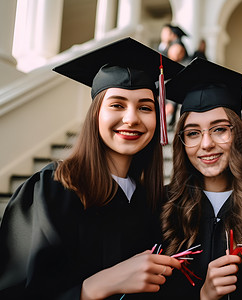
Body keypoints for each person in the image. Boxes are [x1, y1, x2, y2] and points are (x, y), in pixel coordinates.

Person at [0, 37, 184, 299]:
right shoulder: (50, 192)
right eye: (117, 105)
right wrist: (96, 286)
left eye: (145, 107)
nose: (131, 118)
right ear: (96, 114)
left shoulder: (150, 203)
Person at [158, 57, 242, 299]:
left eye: (219, 129)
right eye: (193, 133)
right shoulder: (162, 206)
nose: (206, 144)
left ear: (237, 133)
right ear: (182, 143)